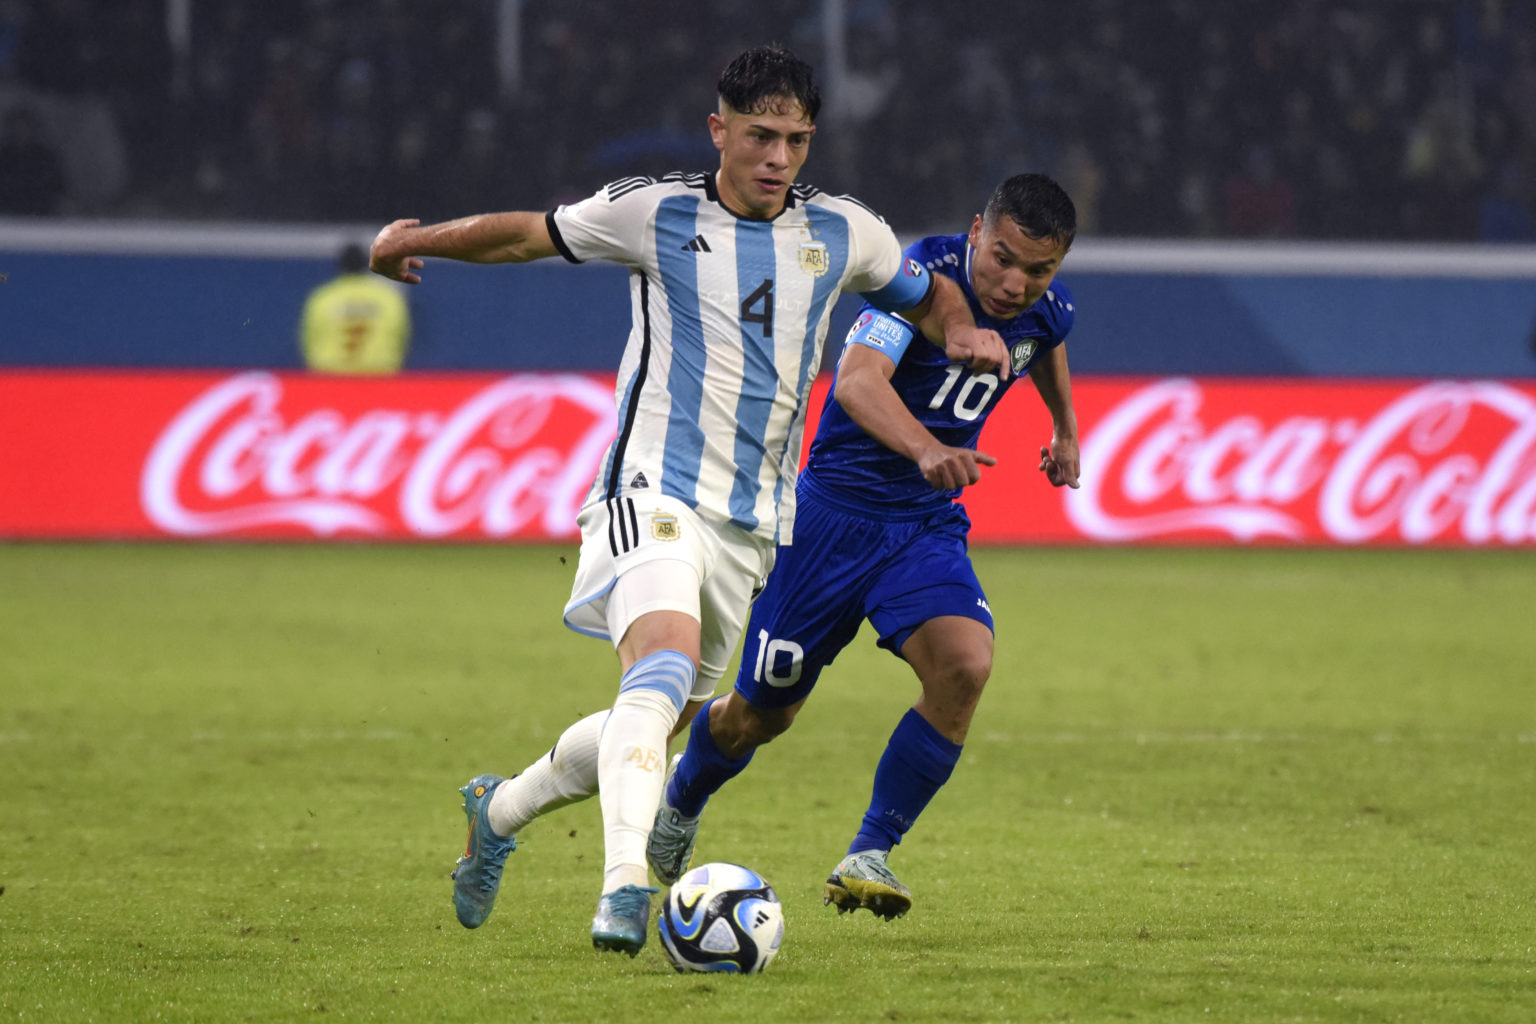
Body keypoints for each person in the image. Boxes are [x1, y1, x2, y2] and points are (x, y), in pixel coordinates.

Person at [367, 45, 1008, 956]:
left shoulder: (845, 231)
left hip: (754, 524)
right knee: (660, 676)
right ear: (720, 131)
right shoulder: (655, 210)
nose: (777, 157)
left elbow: (927, 290)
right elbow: (525, 233)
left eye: (794, 139)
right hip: (651, 488)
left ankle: (499, 811)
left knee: (656, 714)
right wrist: (412, 239)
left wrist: (964, 326)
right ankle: (626, 884)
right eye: (759, 136)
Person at [646, 172, 1081, 920]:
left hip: (922, 524)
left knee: (965, 665)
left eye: (1038, 270)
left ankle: (868, 851)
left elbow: (1046, 340)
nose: (1014, 284)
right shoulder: (917, 282)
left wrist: (1065, 428)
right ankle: (685, 791)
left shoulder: (1047, 308)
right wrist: (921, 448)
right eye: (1002, 258)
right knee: (762, 714)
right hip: (829, 522)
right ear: (977, 230)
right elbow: (854, 381)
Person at [300, 242, 412, 374]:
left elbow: (309, 342)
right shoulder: (388, 298)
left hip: (331, 378)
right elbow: (401, 341)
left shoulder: (322, 298)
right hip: (377, 378)